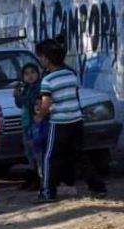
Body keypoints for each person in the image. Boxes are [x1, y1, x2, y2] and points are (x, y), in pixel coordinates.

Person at [33, 38, 107, 202]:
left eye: (41, 57)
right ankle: (98, 187)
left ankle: (47, 192)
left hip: (59, 123)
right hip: (76, 120)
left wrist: (39, 116)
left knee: (50, 157)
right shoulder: (71, 74)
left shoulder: (47, 80)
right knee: (79, 156)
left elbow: (46, 103)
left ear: (46, 58)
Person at [13, 62, 42, 190]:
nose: (30, 76)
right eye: (26, 74)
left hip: (35, 124)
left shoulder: (38, 87)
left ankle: (39, 180)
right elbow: (20, 104)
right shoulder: (26, 88)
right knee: (29, 153)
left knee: (37, 153)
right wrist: (17, 95)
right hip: (26, 124)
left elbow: (31, 103)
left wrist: (21, 96)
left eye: (33, 72)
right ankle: (31, 178)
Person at [29, 97, 50, 186]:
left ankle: (47, 186)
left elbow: (45, 136)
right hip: (37, 151)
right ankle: (43, 186)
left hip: (45, 151)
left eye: (40, 104)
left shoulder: (47, 121)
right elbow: (30, 134)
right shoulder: (33, 121)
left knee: (46, 169)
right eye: (36, 104)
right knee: (40, 170)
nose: (38, 107)